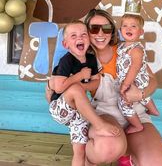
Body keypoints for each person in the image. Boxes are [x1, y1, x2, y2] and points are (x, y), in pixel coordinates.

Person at [84, 9, 162, 166]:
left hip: (136, 112)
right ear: (87, 31)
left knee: (158, 163)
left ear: (113, 31)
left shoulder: (127, 49)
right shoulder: (82, 57)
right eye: (94, 28)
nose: (100, 33)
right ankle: (89, 159)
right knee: (107, 148)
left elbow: (152, 80)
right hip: (105, 115)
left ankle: (127, 155)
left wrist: (140, 94)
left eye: (107, 28)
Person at [47, 20, 121, 166]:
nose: (79, 38)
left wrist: (81, 86)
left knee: (80, 151)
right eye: (73, 36)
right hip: (59, 108)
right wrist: (79, 77)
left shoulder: (91, 59)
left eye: (83, 35)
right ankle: (99, 125)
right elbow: (59, 88)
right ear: (65, 44)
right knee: (74, 89)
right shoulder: (66, 61)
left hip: (78, 114)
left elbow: (96, 82)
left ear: (88, 39)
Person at [117, 1, 160, 134]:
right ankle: (153, 110)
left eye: (133, 26)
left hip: (136, 79)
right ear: (120, 30)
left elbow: (135, 68)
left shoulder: (136, 49)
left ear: (141, 32)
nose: (128, 29)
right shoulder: (122, 46)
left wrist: (126, 84)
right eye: (125, 26)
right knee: (143, 95)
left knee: (123, 102)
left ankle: (137, 125)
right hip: (137, 81)